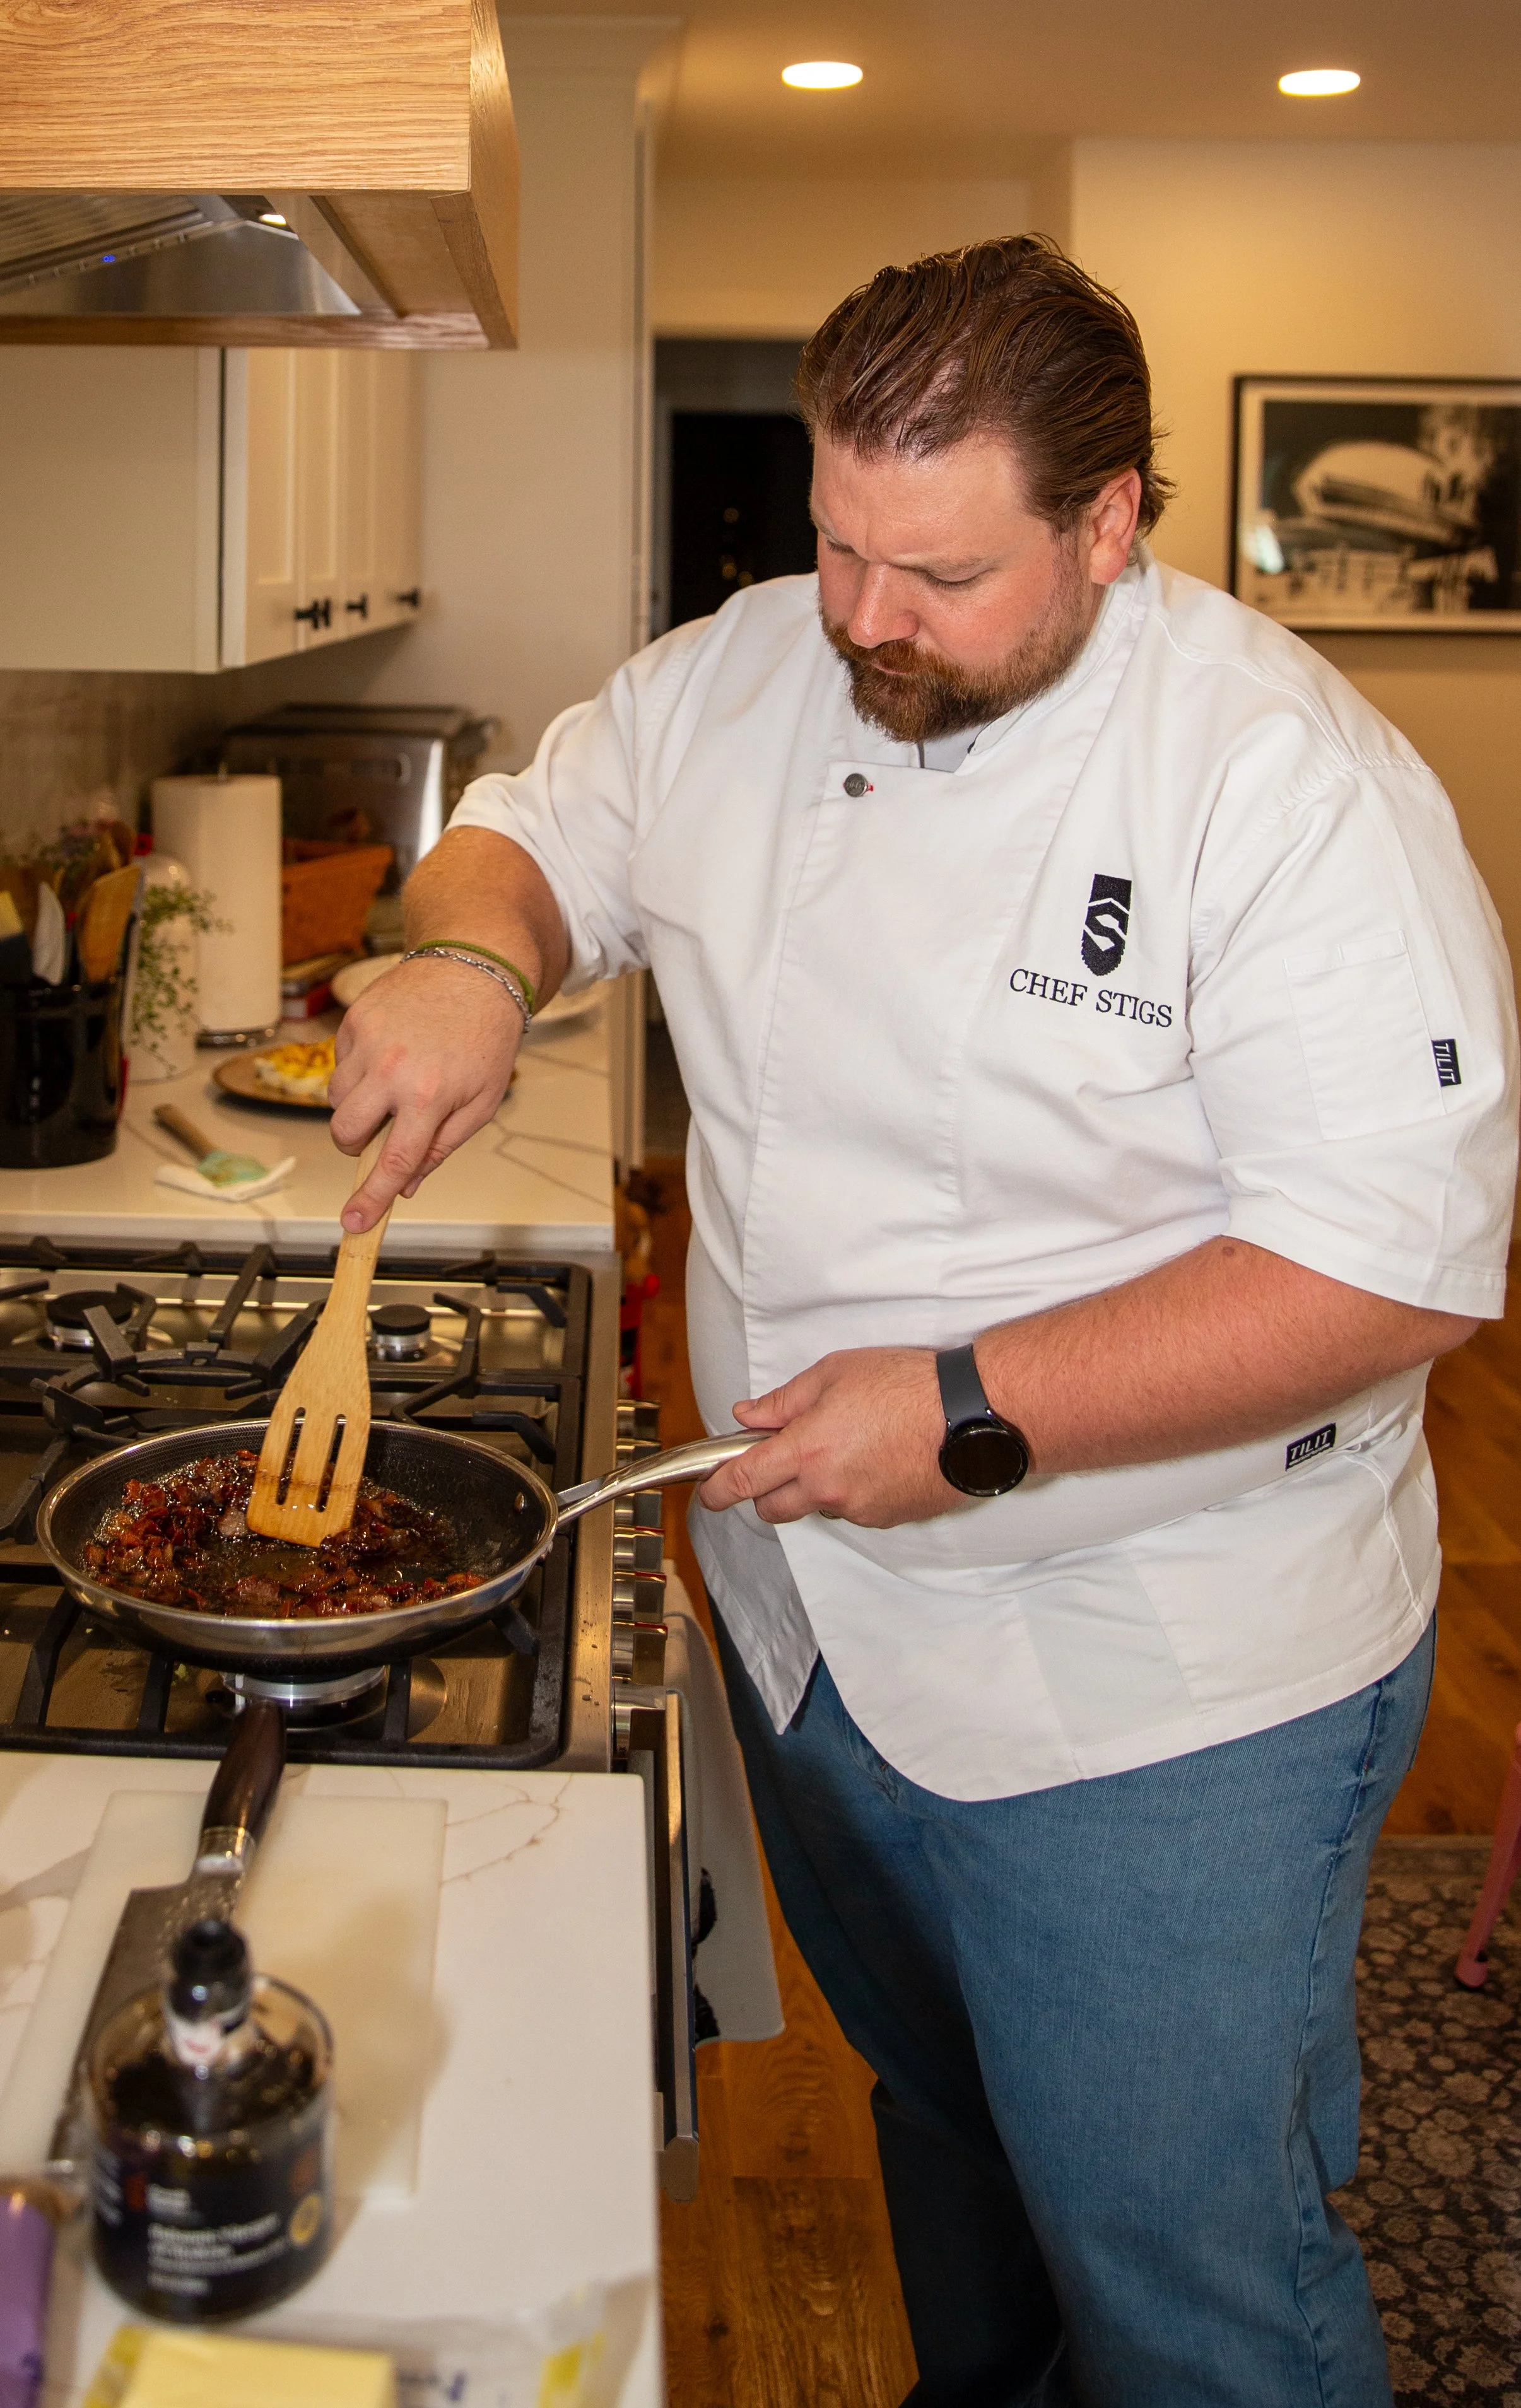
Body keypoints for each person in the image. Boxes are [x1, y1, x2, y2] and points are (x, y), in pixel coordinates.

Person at [329, 236, 1518, 2405]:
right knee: (952, 2133)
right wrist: (473, 962)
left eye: (941, 574)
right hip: (812, 1628)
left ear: (1110, 520)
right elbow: (529, 836)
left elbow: (1394, 1268)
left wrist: (971, 1412)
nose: (866, 619)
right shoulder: (748, 672)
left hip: (1159, 1684)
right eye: (836, 544)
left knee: (1189, 2277)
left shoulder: (1282, 786)